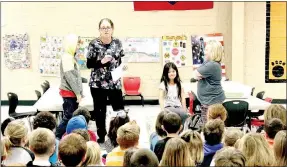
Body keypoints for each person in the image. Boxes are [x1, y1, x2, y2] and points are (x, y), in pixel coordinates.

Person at [86, 18, 126, 143]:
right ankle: (102, 136)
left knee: (119, 110)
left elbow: (122, 59)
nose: (106, 30)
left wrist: (123, 67)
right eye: (103, 28)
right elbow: (88, 64)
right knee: (100, 112)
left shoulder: (118, 43)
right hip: (98, 83)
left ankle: (119, 135)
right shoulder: (93, 44)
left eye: (108, 27)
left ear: (112, 29)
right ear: (99, 30)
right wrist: (101, 62)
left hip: (114, 82)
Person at [56, 34, 83, 139]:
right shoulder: (67, 58)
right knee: (68, 117)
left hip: (71, 92)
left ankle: (67, 137)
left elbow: (77, 77)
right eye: (77, 45)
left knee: (71, 116)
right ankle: (56, 138)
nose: (78, 47)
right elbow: (71, 78)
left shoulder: (70, 57)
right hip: (69, 93)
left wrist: (80, 92)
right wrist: (77, 93)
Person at [194, 40, 226, 123]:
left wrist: (199, 76)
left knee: (208, 127)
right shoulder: (212, 64)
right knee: (215, 126)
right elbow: (196, 75)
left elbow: (195, 74)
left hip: (210, 102)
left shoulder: (211, 65)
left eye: (207, 50)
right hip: (212, 101)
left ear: (213, 52)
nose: (204, 52)